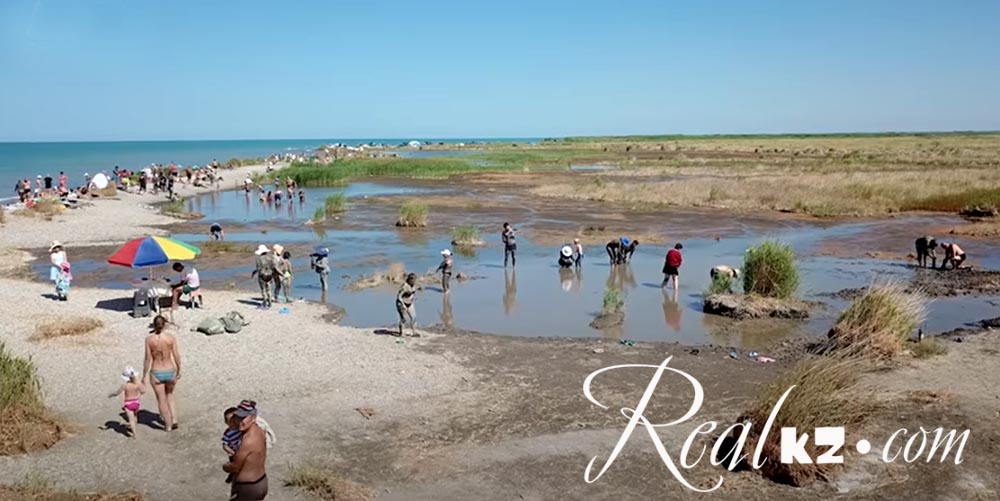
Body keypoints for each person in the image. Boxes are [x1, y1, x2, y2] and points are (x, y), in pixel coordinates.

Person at [224, 400, 269, 501]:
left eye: (243, 418)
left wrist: (225, 467)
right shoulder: (261, 431)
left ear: (253, 418)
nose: (239, 421)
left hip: (248, 487)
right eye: (238, 417)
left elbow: (235, 467)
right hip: (261, 481)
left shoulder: (247, 441)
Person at [142, 315, 181, 431]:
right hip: (170, 370)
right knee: (170, 395)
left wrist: (144, 375)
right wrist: (179, 369)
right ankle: (174, 419)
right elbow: (176, 355)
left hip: (157, 371)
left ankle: (168, 424)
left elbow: (148, 359)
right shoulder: (170, 338)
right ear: (165, 325)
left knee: (161, 399)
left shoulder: (149, 340)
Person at [109, 366, 144, 438]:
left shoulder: (125, 385)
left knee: (131, 419)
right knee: (135, 416)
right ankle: (133, 427)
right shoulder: (136, 384)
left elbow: (117, 392)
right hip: (136, 402)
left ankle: (134, 434)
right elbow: (142, 391)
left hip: (128, 403)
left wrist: (112, 395)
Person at [396, 273, 420, 337]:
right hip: (401, 303)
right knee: (404, 319)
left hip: (410, 303)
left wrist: (414, 297)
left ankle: (414, 332)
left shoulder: (414, 285)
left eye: (415, 280)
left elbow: (413, 292)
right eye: (413, 280)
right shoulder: (404, 286)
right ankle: (401, 333)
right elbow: (399, 296)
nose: (414, 281)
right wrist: (403, 305)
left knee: (414, 317)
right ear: (409, 279)